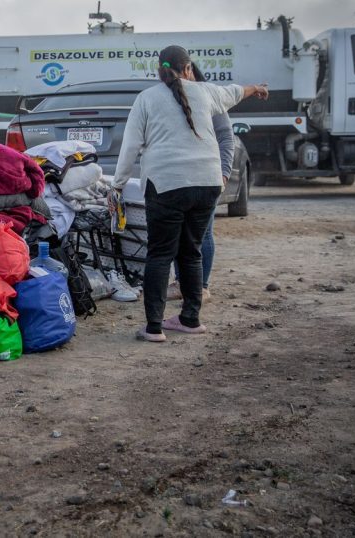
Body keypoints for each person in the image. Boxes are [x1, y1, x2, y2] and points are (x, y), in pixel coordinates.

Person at [111, 45, 268, 342]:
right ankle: (190, 319)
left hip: (167, 184)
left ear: (159, 70)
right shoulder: (206, 91)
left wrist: (117, 186)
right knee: (191, 251)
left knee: (160, 254)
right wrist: (256, 88)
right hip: (207, 184)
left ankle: (154, 327)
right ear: (188, 68)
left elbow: (130, 146)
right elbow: (234, 92)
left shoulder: (146, 99)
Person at [168, 70, 235, 303]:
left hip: (208, 176)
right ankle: (181, 283)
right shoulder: (170, 100)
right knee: (178, 231)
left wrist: (224, 173)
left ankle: (201, 287)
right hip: (179, 178)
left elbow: (226, 138)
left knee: (202, 233)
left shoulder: (210, 98)